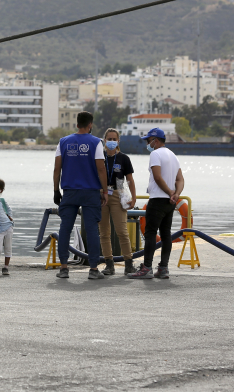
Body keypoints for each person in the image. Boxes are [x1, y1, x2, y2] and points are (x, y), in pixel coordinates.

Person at [53, 111, 111, 280]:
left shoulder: (63, 142)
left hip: (69, 191)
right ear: (90, 125)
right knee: (93, 229)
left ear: (77, 124)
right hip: (90, 192)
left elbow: (57, 169)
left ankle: (64, 267)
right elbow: (101, 169)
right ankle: (93, 269)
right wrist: (105, 191)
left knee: (65, 228)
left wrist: (56, 190)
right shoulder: (96, 143)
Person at [129, 127, 184, 279]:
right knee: (166, 234)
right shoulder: (173, 156)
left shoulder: (155, 154)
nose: (148, 144)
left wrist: (169, 192)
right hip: (170, 203)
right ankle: (164, 268)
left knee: (150, 233)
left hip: (158, 199)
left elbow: (157, 177)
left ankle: (147, 268)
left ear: (156, 140)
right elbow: (180, 179)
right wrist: (176, 194)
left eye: (149, 141)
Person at [99, 128, 138, 275]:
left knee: (122, 231)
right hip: (101, 194)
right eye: (109, 139)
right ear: (104, 140)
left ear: (118, 141)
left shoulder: (123, 158)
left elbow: (130, 180)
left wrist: (133, 198)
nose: (111, 142)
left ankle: (129, 263)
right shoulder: (99, 157)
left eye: (114, 139)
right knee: (104, 232)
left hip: (118, 193)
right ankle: (109, 264)